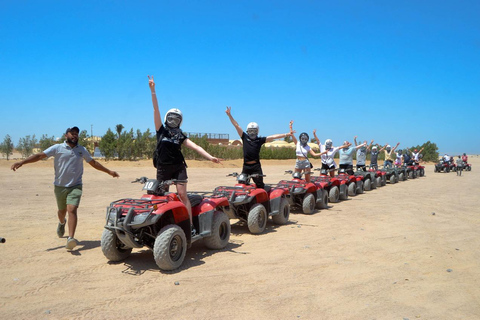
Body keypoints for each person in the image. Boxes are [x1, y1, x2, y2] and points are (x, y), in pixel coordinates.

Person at [11, 126, 119, 250]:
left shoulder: (81, 150)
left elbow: (93, 163)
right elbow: (40, 156)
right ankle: (62, 222)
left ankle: (70, 238)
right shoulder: (57, 148)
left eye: (76, 134)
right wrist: (22, 162)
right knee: (62, 212)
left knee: (72, 209)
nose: (75, 136)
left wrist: (109, 171)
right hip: (59, 186)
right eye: (72, 133)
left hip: (75, 185)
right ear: (66, 135)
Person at [149, 75, 222, 236]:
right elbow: (156, 109)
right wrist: (153, 91)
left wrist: (210, 157)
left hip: (178, 168)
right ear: (167, 118)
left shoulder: (180, 135)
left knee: (182, 194)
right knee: (160, 196)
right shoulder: (160, 129)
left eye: (177, 119)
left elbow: (195, 146)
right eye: (171, 118)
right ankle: (162, 225)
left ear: (180, 121)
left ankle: (189, 226)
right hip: (162, 168)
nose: (173, 120)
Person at [225, 106, 291, 189]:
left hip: (256, 167)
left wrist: (286, 134)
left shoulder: (260, 140)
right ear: (247, 131)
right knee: (241, 186)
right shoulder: (244, 137)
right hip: (246, 167)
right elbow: (236, 125)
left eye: (254, 131)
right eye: (250, 131)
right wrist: (229, 115)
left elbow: (273, 136)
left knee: (260, 186)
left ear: (257, 131)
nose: (252, 133)